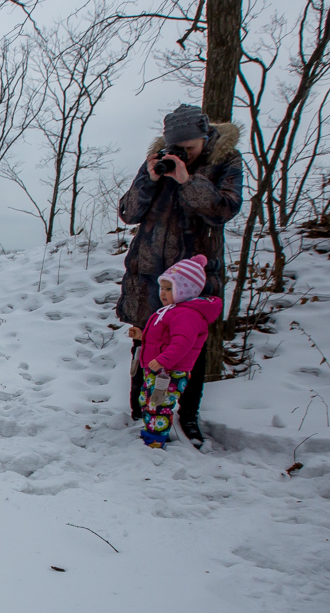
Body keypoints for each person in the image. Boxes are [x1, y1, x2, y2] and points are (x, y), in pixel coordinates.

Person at [117, 104, 243, 446]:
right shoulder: (158, 160)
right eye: (179, 147)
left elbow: (224, 209)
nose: (182, 153)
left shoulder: (225, 160)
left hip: (192, 275)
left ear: (204, 138)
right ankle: (142, 411)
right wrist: (149, 176)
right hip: (148, 270)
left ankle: (187, 416)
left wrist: (188, 179)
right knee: (145, 341)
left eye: (189, 147)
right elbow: (129, 212)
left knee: (189, 347)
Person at [127, 255, 222, 449]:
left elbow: (182, 343)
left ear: (186, 289)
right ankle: (151, 435)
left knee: (159, 405)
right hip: (160, 369)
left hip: (169, 372)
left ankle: (154, 441)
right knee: (149, 401)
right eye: (162, 287)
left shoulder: (187, 314)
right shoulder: (173, 310)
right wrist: (142, 335)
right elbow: (163, 338)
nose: (163, 293)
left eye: (169, 288)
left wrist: (163, 360)